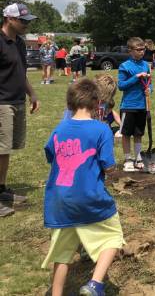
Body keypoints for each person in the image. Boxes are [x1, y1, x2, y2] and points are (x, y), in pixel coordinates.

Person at [42, 78, 124, 296]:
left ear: (69, 103)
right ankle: (95, 285)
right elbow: (108, 165)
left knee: (62, 254)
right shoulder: (101, 129)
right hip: (89, 197)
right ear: (98, 102)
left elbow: (51, 155)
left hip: (59, 201)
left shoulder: (59, 129)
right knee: (113, 236)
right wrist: (114, 171)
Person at [0, 3, 40, 218]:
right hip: (2, 102)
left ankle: (2, 190)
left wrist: (31, 93)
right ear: (8, 19)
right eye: (23, 20)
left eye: (28, 21)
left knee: (6, 149)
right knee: (0, 149)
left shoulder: (20, 43)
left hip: (17, 101)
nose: (26, 24)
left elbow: (21, 72)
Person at [117, 37, 151, 172]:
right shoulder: (124, 66)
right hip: (128, 106)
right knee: (126, 134)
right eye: (138, 50)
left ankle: (138, 158)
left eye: (143, 49)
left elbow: (150, 83)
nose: (142, 52)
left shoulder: (145, 65)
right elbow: (121, 86)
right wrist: (136, 77)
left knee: (138, 133)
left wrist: (150, 89)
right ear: (130, 50)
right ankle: (127, 159)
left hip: (142, 105)